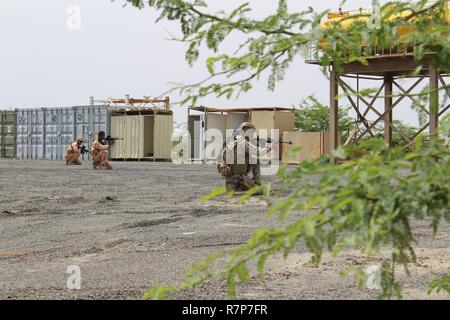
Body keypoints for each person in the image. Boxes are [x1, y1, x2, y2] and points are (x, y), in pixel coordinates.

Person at [218, 122, 271, 192]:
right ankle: (255, 184)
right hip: (240, 178)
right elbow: (259, 152)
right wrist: (269, 148)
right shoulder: (244, 143)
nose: (252, 135)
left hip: (230, 178)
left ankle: (234, 186)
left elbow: (224, 158)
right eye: (251, 132)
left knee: (254, 159)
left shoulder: (231, 143)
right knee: (260, 191)